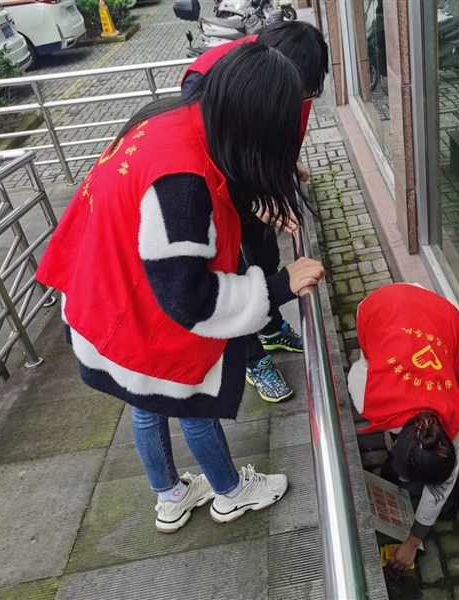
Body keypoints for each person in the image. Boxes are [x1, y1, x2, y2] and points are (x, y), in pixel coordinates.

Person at [35, 43, 326, 533]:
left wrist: (255, 197)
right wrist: (278, 286)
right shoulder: (183, 182)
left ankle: (170, 497)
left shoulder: (169, 117)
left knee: (144, 404)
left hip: (105, 293)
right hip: (140, 309)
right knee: (190, 401)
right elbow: (190, 298)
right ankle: (230, 494)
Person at [182, 21, 329, 403]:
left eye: (307, 92)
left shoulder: (293, 78)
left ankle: (271, 326)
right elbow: (211, 161)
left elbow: (274, 133)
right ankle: (251, 358)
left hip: (251, 181)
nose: (301, 99)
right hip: (216, 192)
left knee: (264, 254)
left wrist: (281, 165)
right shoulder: (208, 84)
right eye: (298, 92)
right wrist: (251, 201)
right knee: (230, 274)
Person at [348, 283, 459, 570]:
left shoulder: (453, 423)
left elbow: (441, 488)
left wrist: (413, 540)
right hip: (381, 306)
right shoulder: (367, 394)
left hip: (441, 316)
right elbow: (362, 365)